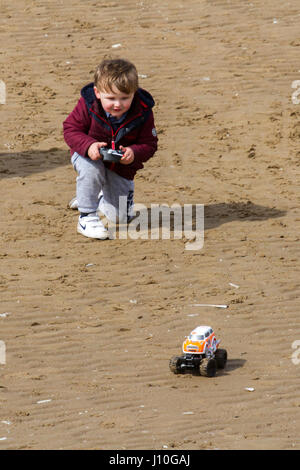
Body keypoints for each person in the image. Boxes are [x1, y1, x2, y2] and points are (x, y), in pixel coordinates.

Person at [63, 58, 158, 239]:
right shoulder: (88, 104)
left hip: (120, 166)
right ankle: (87, 217)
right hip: (88, 155)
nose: (117, 104)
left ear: (134, 93)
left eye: (124, 98)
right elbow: (70, 129)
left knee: (120, 218)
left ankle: (96, 196)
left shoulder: (143, 111)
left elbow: (150, 144)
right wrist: (88, 145)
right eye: (111, 98)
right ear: (98, 93)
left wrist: (134, 153)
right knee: (92, 170)